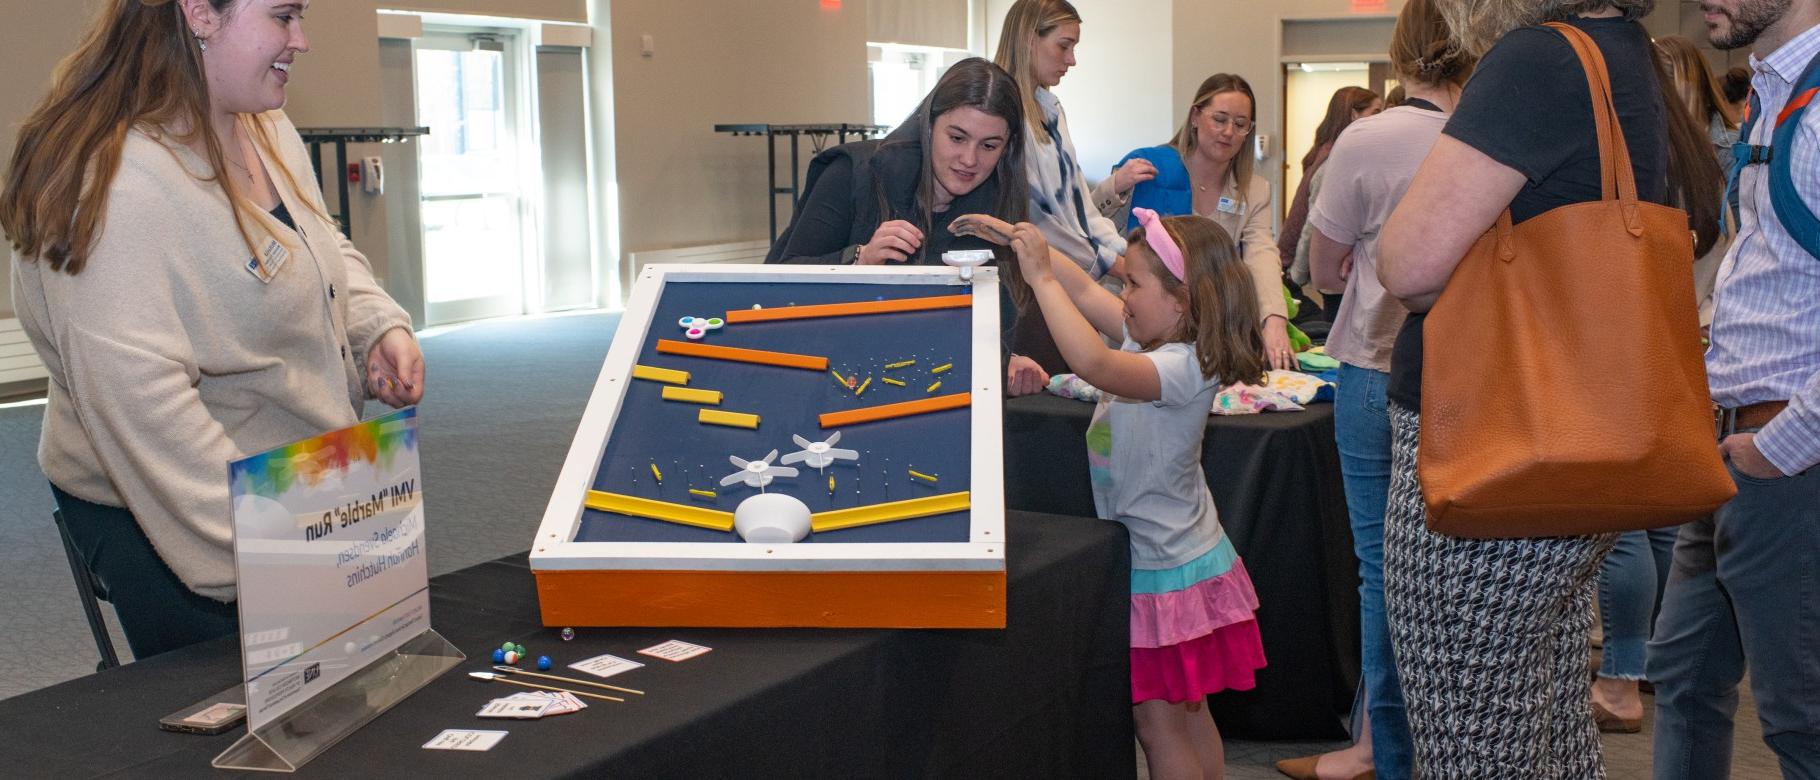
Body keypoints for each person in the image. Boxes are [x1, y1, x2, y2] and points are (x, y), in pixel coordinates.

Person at [1, 0, 422, 659]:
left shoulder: (265, 126)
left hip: (294, 490)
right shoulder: (111, 187)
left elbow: (315, 240)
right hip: (170, 506)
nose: (302, 40)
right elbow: (147, 409)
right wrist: (284, 550)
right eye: (284, 16)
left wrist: (374, 326)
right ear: (199, 12)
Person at [1375, 0, 1720, 773]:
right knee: (1550, 732)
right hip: (1571, 442)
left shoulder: (1538, 59)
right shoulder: (1624, 52)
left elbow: (1409, 264)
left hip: (1488, 450)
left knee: (1474, 740)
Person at [967, 206, 1266, 779]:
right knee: (1189, 712)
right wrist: (1023, 243)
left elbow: (1091, 361)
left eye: (1132, 282)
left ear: (1183, 301)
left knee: (1159, 728)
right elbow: (1081, 283)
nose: (1120, 292)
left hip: (1164, 569)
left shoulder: (1179, 367)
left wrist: (1040, 278)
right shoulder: (1150, 338)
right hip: (1185, 557)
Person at [1277, 2, 1473, 778]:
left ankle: (1380, 750)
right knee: (1462, 570)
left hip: (1372, 366)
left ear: (1401, 51)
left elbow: (1321, 272)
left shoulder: (1368, 139)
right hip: (1473, 377)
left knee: (1381, 572)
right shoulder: (1493, 136)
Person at [1649, 0, 1820, 776]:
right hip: (1724, 451)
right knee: (1684, 682)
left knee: (1799, 718)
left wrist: (1779, 448)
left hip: (1784, 461)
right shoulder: (1772, 96)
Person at [1584, 31, 1734, 736]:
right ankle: (1644, 661)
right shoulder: (1709, 158)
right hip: (1689, 346)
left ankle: (1619, 675)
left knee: (1617, 521)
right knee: (1663, 517)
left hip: (1629, 344)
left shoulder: (1643, 158)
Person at [769, 57, 1049, 396]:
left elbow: (987, 317)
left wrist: (1004, 359)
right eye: (957, 138)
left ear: (1007, 148)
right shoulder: (852, 173)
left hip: (929, 390)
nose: (970, 160)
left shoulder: (998, 204)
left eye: (989, 146)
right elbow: (777, 284)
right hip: (825, 381)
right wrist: (860, 260)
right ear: (928, 126)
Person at [1100, 75, 1300, 371]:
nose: (1228, 132)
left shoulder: (1255, 190)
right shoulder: (1150, 168)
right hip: (1133, 322)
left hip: (1202, 333)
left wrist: (1274, 320)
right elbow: (1086, 225)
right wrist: (1113, 186)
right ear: (1195, 116)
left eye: (1240, 124)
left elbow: (1262, 255)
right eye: (1219, 119)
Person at [1282, 86, 1382, 296]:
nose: (1381, 120)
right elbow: (1314, 221)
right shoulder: (1334, 161)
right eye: (1375, 112)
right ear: (1354, 115)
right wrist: (1296, 278)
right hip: (1334, 276)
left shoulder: (1330, 153)